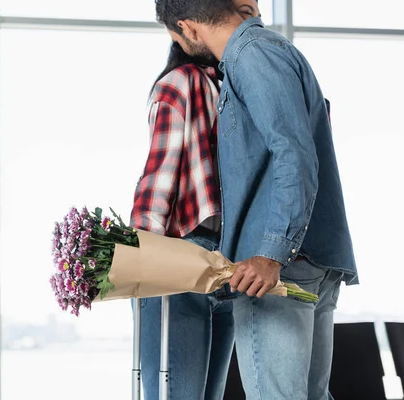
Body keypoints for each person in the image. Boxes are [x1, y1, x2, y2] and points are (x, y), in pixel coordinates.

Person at [153, 1, 358, 399]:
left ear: (189, 29)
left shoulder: (251, 55)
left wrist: (270, 253)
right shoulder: (271, 52)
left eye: (175, 36)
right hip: (308, 257)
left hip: (278, 267)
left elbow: (293, 155)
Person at [129, 2, 261, 399]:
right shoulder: (233, 88)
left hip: (180, 260)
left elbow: (159, 176)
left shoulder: (177, 83)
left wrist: (139, 256)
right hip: (227, 263)